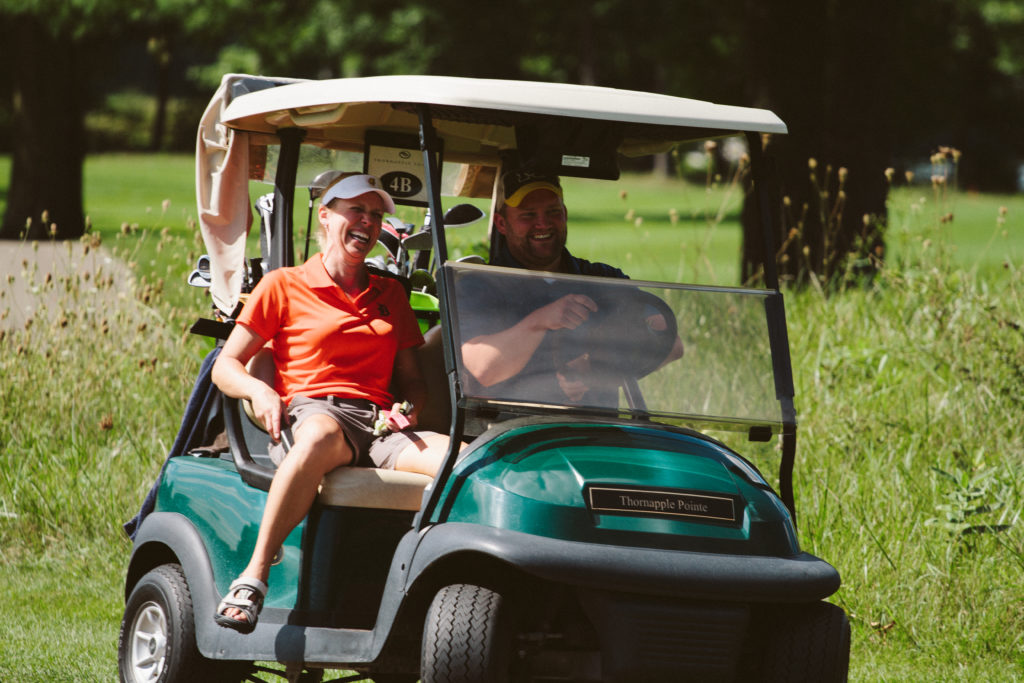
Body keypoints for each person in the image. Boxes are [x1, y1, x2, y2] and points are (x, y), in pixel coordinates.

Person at [211, 173, 453, 634]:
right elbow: (227, 366)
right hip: (312, 411)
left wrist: (412, 408)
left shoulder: (390, 294)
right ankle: (254, 575)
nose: (368, 222)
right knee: (321, 435)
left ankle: (448, 591)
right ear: (326, 216)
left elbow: (412, 380)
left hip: (379, 422)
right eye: (356, 211)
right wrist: (260, 390)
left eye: (377, 215)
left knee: (459, 459)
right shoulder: (283, 285)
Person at [459, 168, 683, 405]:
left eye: (553, 212)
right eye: (528, 215)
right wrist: (541, 321)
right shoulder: (479, 286)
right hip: (510, 429)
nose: (543, 223)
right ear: (502, 223)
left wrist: (595, 370)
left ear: (564, 214)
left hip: (597, 429)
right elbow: (484, 369)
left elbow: (670, 343)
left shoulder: (601, 279)